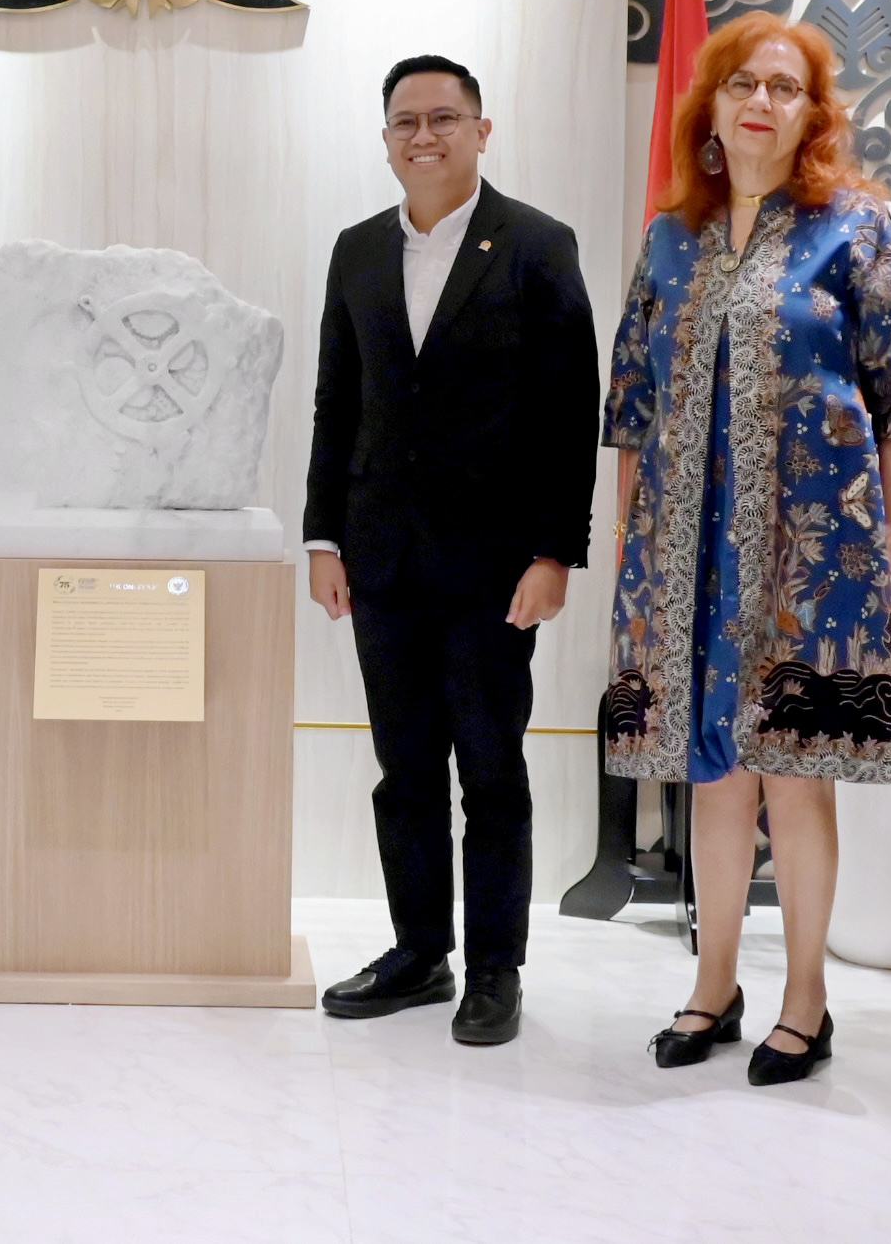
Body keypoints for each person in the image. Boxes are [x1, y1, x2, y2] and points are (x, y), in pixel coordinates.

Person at [600, 14, 891, 1085]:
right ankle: (713, 987)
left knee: (793, 772)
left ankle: (805, 1001)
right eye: (743, 82)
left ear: (812, 114)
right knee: (713, 772)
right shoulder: (670, 238)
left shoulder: (854, 228)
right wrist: (632, 542)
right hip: (685, 549)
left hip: (814, 548)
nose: (761, 101)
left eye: (785, 88)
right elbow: (632, 404)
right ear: (711, 105)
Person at [304, 54, 599, 1047]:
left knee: (490, 770)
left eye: (442, 118)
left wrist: (554, 552)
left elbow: (569, 414)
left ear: (481, 130)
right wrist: (322, 534)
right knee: (404, 771)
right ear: (385, 138)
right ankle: (419, 951)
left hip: (493, 568)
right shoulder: (355, 250)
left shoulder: (537, 246)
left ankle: (494, 967)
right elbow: (336, 403)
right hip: (379, 558)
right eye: (405, 121)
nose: (422, 136)